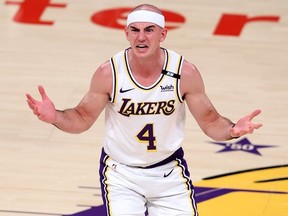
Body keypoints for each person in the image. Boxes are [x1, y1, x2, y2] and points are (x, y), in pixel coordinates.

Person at [26, 4, 262, 216]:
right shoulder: (109, 73)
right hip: (121, 174)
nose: (141, 37)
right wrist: (54, 116)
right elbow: (82, 118)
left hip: (169, 171)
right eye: (135, 30)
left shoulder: (184, 73)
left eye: (149, 30)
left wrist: (232, 130)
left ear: (163, 34)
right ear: (126, 33)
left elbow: (211, 122)